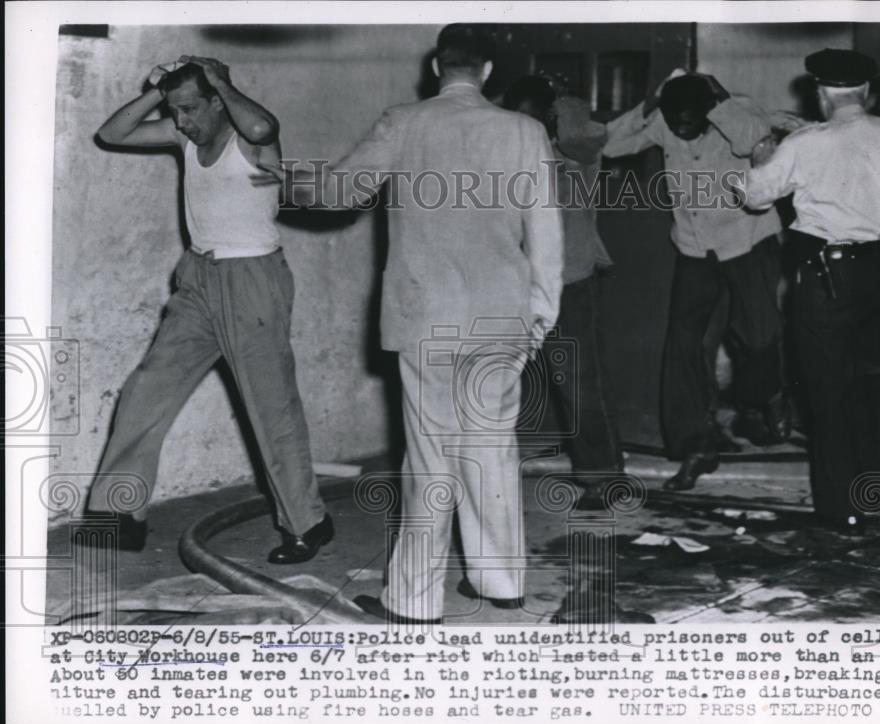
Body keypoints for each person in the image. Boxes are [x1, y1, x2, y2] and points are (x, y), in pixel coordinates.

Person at [267, 25, 563, 623]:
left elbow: (338, 193)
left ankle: (413, 601)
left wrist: (276, 177)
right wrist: (540, 316)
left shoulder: (404, 121)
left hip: (427, 319)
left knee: (429, 460)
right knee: (491, 449)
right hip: (500, 318)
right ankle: (501, 583)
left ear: (437, 66)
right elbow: (547, 235)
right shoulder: (524, 132)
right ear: (486, 72)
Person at [77, 57, 331, 564]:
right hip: (197, 280)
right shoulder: (184, 138)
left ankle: (308, 523)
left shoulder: (251, 140)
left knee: (269, 407)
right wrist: (157, 91)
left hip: (252, 281)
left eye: (192, 109)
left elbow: (264, 123)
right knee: (145, 392)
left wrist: (217, 79)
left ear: (218, 98)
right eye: (177, 113)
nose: (184, 121)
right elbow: (112, 132)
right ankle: (121, 516)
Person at [744, 49, 880, 530]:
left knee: (827, 390)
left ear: (823, 94)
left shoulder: (807, 142)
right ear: (865, 93)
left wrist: (761, 159)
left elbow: (754, 195)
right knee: (875, 382)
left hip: (830, 275)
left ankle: (842, 507)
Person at [603, 71, 788, 492]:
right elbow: (613, 143)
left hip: (748, 240)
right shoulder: (665, 118)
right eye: (675, 122)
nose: (682, 131)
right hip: (694, 248)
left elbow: (755, 143)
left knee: (759, 337)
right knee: (685, 347)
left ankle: (764, 399)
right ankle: (696, 443)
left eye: (691, 121)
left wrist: (721, 104)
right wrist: (649, 104)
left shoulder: (736, 112)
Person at [501, 75, 625, 510]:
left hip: (570, 281)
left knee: (577, 384)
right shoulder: (504, 159)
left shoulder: (576, 152)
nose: (521, 127)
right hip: (514, 282)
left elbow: (584, 132)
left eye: (532, 118)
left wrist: (559, 100)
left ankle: (602, 479)